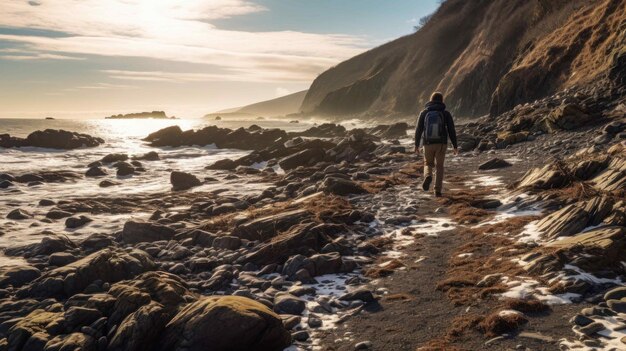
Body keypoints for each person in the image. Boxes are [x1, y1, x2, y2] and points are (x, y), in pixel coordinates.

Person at [414, 92, 458, 197]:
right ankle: (437, 190)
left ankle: (428, 176)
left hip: (427, 143)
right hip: (441, 143)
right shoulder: (445, 113)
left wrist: (416, 144)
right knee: (439, 167)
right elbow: (451, 130)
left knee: (428, 164)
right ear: (442, 100)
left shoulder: (424, 113)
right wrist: (455, 145)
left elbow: (418, 129)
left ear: (431, 100)